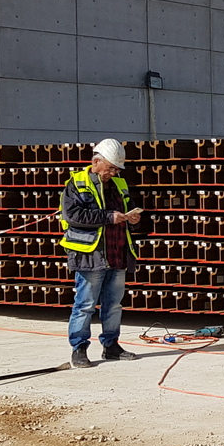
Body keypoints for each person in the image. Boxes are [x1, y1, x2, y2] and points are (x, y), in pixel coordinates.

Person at [61, 138, 143, 367]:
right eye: (110, 168)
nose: (113, 172)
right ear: (96, 161)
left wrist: (133, 218)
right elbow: (74, 216)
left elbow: (127, 209)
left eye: (116, 168)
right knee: (85, 305)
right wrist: (109, 217)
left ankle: (111, 346)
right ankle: (79, 349)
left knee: (113, 304)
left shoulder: (119, 184)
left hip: (117, 253)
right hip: (90, 256)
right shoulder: (76, 184)